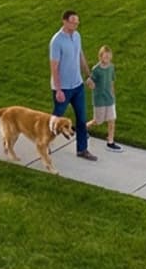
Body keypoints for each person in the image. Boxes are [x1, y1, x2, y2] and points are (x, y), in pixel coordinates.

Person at [48, 9, 97, 162]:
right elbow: (54, 67)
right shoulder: (56, 41)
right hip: (63, 88)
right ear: (64, 21)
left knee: (81, 119)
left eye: (77, 22)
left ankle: (82, 149)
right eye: (73, 22)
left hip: (77, 85)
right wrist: (59, 89)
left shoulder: (76, 36)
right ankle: (45, 143)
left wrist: (88, 75)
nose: (76, 25)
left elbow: (80, 55)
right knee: (55, 121)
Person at [89, 45, 119, 151]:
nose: (107, 59)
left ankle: (110, 141)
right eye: (105, 57)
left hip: (109, 99)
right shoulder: (96, 69)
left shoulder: (111, 67)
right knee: (98, 121)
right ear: (100, 57)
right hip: (100, 100)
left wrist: (113, 96)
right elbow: (90, 82)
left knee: (112, 120)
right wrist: (90, 84)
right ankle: (82, 129)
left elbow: (111, 82)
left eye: (108, 57)